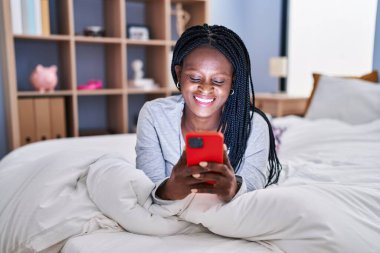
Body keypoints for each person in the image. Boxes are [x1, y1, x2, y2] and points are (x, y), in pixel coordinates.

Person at [136, 24, 281, 203]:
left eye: (218, 81)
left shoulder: (253, 124)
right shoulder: (153, 114)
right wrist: (170, 190)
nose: (205, 88)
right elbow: (147, 189)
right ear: (179, 74)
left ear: (232, 82)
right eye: (195, 78)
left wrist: (232, 189)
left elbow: (253, 192)